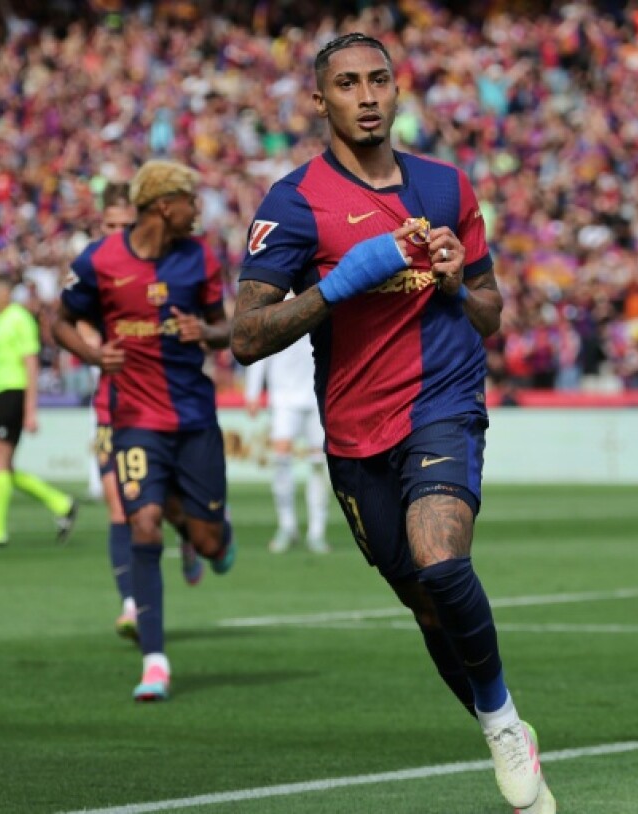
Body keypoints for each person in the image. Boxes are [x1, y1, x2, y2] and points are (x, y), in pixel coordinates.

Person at [230, 33, 555, 813]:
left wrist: (451, 282)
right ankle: (493, 715)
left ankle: (504, 723)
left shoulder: (447, 187)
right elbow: (245, 337)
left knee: (442, 561)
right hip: (352, 433)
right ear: (322, 100)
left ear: (398, 89)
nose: (367, 95)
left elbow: (490, 313)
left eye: (379, 80)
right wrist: (341, 284)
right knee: (425, 603)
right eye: (347, 84)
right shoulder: (294, 201)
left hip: (443, 405)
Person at [53, 159, 235, 703]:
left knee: (207, 542)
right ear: (164, 204)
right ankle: (155, 660)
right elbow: (57, 320)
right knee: (144, 522)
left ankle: (203, 534)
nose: (198, 210)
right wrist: (91, 351)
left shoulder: (199, 257)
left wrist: (205, 330)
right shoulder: (100, 260)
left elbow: (226, 330)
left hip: (194, 419)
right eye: (191, 200)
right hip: (133, 421)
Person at [84, 183, 204, 644]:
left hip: (164, 404)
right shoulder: (94, 268)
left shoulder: (164, 267)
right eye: (108, 226)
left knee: (160, 506)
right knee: (121, 506)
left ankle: (190, 533)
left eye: (122, 226)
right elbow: (73, 318)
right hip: (113, 406)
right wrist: (91, 345)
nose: (115, 232)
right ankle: (132, 604)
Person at [0, 271, 78, 550]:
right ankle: (61, 503)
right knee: (4, 466)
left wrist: (30, 410)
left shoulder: (18, 318)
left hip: (15, 393)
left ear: (5, 292)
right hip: (2, 394)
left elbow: (30, 364)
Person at [243, 312, 330, 554]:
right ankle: (287, 526)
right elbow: (261, 347)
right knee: (281, 459)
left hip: (316, 395)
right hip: (283, 397)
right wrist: (252, 392)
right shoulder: (276, 301)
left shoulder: (317, 291)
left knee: (317, 463)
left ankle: (317, 531)